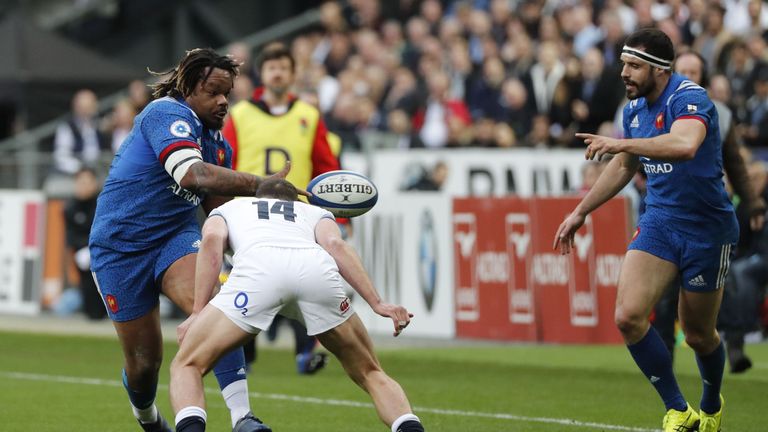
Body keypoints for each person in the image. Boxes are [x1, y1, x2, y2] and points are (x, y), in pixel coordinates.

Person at [89, 48, 283, 432]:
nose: (224, 100)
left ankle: (243, 417)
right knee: (145, 365)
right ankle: (147, 417)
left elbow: (220, 211)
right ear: (190, 87)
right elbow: (192, 176)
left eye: (229, 92)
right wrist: (261, 183)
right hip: (119, 249)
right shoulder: (165, 113)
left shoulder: (217, 142)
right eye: (214, 91)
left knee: (215, 308)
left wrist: (271, 225)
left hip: (175, 239)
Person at [553, 29, 735, 432]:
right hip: (660, 220)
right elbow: (624, 166)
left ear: (659, 70)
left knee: (699, 334)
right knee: (628, 317)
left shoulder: (690, 98)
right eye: (623, 63)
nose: (624, 72)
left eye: (634, 65)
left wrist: (625, 146)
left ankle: (710, 403)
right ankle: (678, 409)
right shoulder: (633, 110)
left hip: (707, 228)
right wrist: (581, 211)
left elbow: (684, 145)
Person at [169, 178, 425, 432]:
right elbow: (336, 245)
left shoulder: (229, 209)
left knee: (187, 364)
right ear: (296, 200)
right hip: (315, 272)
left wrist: (197, 312)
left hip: (259, 273)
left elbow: (212, 242)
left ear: (259, 197)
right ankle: (409, 427)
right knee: (370, 371)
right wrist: (377, 303)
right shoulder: (316, 211)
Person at [223, 43, 343, 375]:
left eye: (283, 67)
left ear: (292, 74)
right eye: (271, 66)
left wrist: (339, 216)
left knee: (302, 283)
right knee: (241, 282)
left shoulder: (309, 116)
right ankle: (243, 355)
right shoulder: (240, 115)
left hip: (297, 216)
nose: (277, 72)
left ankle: (306, 353)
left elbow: (326, 167)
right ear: (262, 73)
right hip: (250, 215)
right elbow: (226, 163)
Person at [652, 49, 766, 371]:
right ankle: (663, 366)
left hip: (708, 214)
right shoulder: (654, 108)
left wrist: (754, 203)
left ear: (704, 78)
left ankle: (735, 345)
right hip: (667, 214)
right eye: (683, 71)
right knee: (663, 296)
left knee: (724, 284)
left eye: (695, 72)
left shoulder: (721, 114)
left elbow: (736, 163)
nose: (689, 77)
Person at [64, 167, 104, 320]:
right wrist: (80, 249)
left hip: (102, 252)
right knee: (86, 288)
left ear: (95, 183)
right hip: (81, 254)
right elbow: (70, 234)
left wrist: (92, 249)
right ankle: (91, 315)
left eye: (87, 182)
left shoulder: (102, 203)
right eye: (80, 182)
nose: (83, 185)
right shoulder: (70, 207)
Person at [53, 89, 109, 175]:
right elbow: (61, 157)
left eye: (90, 107)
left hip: (99, 172)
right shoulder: (67, 128)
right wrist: (81, 169)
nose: (86, 112)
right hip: (73, 174)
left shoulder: (100, 126)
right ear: (75, 107)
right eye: (83, 108)